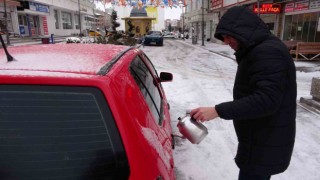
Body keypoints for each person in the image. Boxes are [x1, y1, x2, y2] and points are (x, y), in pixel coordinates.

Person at [190, 6, 297, 180]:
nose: (225, 41)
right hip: (260, 137)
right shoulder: (260, 49)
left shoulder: (267, 52)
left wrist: (217, 110)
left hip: (264, 140)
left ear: (242, 31)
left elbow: (267, 100)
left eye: (227, 36)